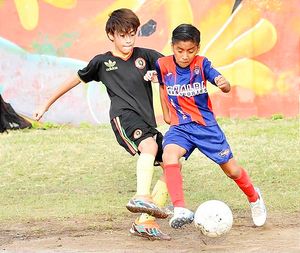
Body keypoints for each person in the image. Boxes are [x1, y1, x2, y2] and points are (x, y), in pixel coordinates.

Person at [34, 8, 171, 240]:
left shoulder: (146, 56)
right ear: (111, 35)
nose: (128, 40)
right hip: (122, 117)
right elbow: (73, 81)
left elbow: (173, 67)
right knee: (149, 146)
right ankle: (141, 196)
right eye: (122, 35)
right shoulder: (102, 62)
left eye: (132, 34)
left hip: (147, 122)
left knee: (172, 162)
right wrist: (46, 103)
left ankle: (145, 221)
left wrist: (162, 79)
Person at [148, 24, 267, 229]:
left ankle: (255, 198)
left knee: (232, 171)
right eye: (180, 50)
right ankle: (180, 209)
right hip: (180, 128)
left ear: (198, 48)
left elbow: (223, 83)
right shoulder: (162, 64)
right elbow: (162, 85)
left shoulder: (202, 65)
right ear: (172, 47)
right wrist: (167, 114)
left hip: (205, 128)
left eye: (190, 51)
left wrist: (224, 84)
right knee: (169, 157)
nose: (185, 55)